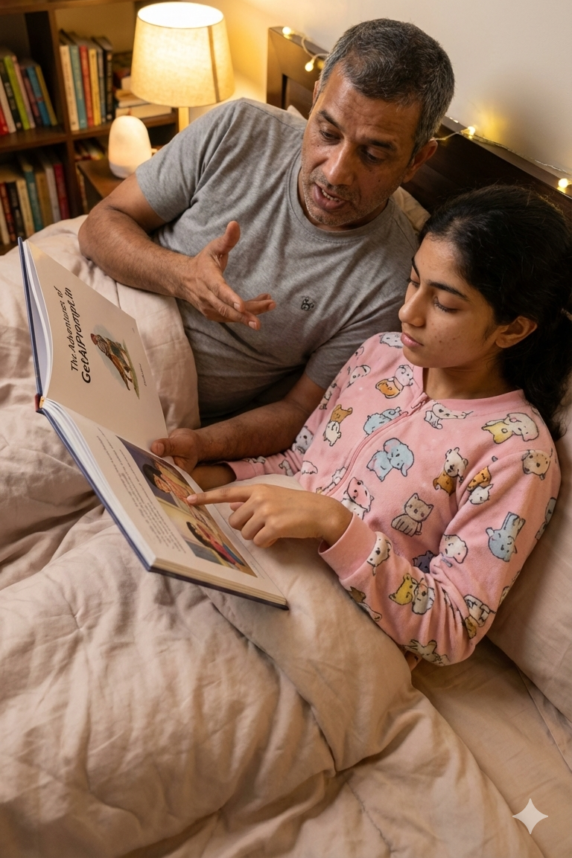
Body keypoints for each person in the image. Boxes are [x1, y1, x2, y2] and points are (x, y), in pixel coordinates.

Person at [186, 186, 572, 665]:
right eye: (414, 283)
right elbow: (298, 460)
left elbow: (451, 630)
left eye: (445, 304)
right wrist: (197, 478)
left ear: (513, 329)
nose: (408, 311)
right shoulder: (382, 354)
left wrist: (334, 523)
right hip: (239, 562)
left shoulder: (518, 453)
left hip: (322, 640)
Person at [79, 18, 454, 467]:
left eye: (373, 154)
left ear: (418, 160)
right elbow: (100, 223)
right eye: (327, 133)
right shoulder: (239, 127)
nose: (334, 172)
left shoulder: (389, 282)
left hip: (155, 404)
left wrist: (204, 447)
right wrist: (180, 277)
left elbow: (299, 412)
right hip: (85, 319)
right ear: (315, 99)